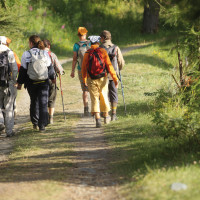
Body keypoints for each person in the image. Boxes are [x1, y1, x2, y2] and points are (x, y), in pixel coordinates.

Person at [17, 35, 55, 132]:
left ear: (30, 43)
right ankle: (42, 125)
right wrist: (52, 78)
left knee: (34, 101)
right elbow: (50, 67)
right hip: (43, 81)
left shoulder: (26, 54)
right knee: (43, 102)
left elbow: (23, 70)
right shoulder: (44, 53)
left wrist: (20, 83)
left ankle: (35, 122)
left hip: (31, 82)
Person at [81, 36, 118, 128]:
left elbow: (84, 68)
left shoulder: (87, 53)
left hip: (91, 79)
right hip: (103, 78)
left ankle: (98, 119)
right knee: (104, 96)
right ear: (98, 42)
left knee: (94, 98)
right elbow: (109, 66)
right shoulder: (103, 51)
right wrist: (115, 78)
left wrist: (84, 79)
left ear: (90, 43)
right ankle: (106, 116)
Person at [100, 30, 125, 121]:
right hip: (113, 74)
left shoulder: (99, 48)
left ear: (102, 38)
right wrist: (119, 70)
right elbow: (121, 62)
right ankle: (114, 114)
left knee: (104, 94)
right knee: (113, 93)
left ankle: (104, 112)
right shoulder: (116, 48)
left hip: (102, 74)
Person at [43, 39, 64, 124]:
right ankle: (51, 117)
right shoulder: (52, 55)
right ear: (49, 46)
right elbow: (58, 68)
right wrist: (61, 72)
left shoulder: (39, 54)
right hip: (52, 80)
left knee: (43, 98)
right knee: (52, 98)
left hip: (41, 79)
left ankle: (44, 117)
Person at [70, 27, 91, 116]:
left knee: (85, 90)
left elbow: (75, 59)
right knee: (94, 89)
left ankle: (86, 110)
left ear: (78, 35)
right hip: (92, 70)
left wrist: (72, 71)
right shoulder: (90, 43)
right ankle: (96, 108)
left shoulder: (76, 45)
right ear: (86, 34)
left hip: (81, 70)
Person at [0, 36, 18, 137]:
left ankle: (0, 122)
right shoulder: (9, 52)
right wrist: (14, 80)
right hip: (7, 82)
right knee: (9, 106)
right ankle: (9, 131)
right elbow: (14, 69)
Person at [4, 37, 21, 118]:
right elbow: (18, 66)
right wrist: (15, 80)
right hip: (9, 81)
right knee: (10, 101)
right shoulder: (11, 53)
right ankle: (11, 118)